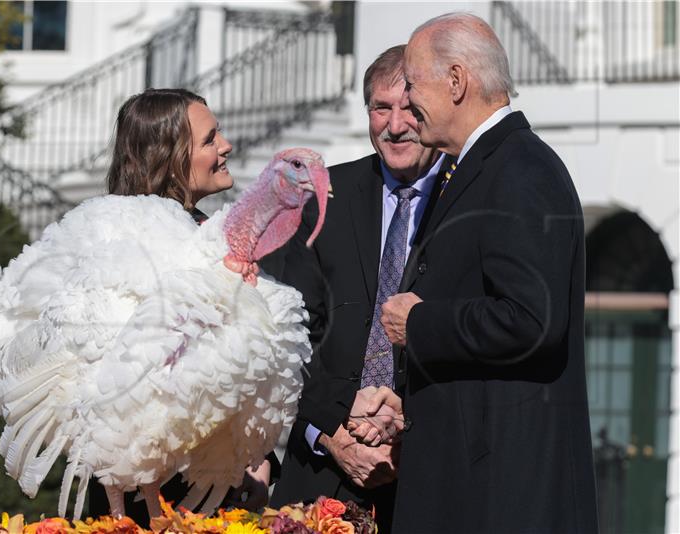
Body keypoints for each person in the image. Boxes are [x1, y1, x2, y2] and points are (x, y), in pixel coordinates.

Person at [355, 13, 598, 533]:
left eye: (414, 83)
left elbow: (532, 320)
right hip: (469, 485)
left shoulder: (520, 170)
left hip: (501, 497)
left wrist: (418, 326)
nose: (408, 103)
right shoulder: (479, 166)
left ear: (457, 81)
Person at [269, 45, 448, 533]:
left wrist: (406, 435)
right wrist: (329, 433)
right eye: (380, 108)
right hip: (317, 481)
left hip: (427, 482)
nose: (395, 125)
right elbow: (284, 341)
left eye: (410, 108)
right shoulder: (321, 200)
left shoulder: (465, 203)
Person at [88, 88, 268, 521]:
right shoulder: (119, 245)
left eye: (218, 133)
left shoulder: (212, 233)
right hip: (144, 491)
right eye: (209, 140)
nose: (225, 146)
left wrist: (254, 459)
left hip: (218, 487)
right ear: (168, 157)